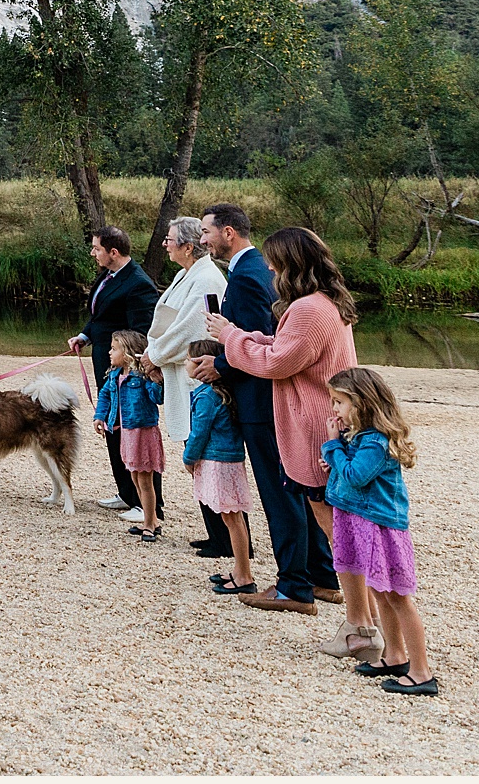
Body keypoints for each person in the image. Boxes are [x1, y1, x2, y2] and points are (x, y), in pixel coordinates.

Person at [207, 223, 358, 624]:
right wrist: (247, 336)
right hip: (322, 414)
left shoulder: (308, 308)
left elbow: (277, 363)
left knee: (319, 510)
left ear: (291, 265)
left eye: (275, 264)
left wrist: (231, 338)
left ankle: (303, 591)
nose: (270, 272)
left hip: (311, 421)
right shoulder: (324, 303)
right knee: (317, 506)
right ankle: (324, 580)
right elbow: (288, 346)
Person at [322, 367, 436, 695]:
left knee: (399, 598)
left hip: (379, 527)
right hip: (363, 521)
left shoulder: (374, 441)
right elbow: (352, 471)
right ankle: (396, 654)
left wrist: (332, 448)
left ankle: (421, 671)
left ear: (361, 404)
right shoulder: (360, 438)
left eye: (339, 402)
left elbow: (357, 477)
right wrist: (337, 458)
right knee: (381, 594)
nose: (334, 409)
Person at [145, 215, 232, 556]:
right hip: (179, 371)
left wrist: (155, 354)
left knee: (206, 453)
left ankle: (225, 538)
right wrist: (154, 350)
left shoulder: (208, 278)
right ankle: (215, 532)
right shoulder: (185, 275)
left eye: (169, 239)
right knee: (197, 457)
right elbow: (166, 319)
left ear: (187, 245)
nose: (164, 245)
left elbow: (191, 329)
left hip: (198, 373)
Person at [64, 223, 158, 518]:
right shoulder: (108, 275)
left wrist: (126, 368)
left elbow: (140, 333)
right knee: (111, 427)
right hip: (106, 362)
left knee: (132, 430)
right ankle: (126, 492)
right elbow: (100, 315)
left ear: (113, 252)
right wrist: (84, 335)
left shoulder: (138, 283)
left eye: (97, 249)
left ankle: (148, 506)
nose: (93, 253)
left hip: (126, 373)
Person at [184, 339, 256, 595]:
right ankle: (239, 568)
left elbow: (199, 432)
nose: (185, 363)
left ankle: (245, 575)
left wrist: (188, 458)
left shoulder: (206, 396)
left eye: (189, 359)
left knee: (232, 517)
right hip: (229, 459)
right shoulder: (222, 392)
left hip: (218, 461)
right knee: (232, 517)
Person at [98, 330, 165, 538]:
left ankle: (149, 524)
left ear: (127, 352)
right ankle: (151, 519)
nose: (109, 352)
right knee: (135, 477)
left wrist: (156, 380)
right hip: (126, 432)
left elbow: (158, 397)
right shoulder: (115, 375)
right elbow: (105, 395)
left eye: (114, 349)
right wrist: (100, 416)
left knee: (145, 481)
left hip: (142, 432)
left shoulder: (141, 376)